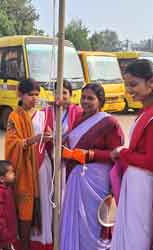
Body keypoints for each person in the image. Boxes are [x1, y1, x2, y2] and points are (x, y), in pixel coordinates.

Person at [110, 59, 153, 250]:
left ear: (151, 82)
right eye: (127, 85)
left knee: (137, 237)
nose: (129, 90)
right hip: (137, 183)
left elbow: (152, 162)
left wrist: (123, 153)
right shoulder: (148, 110)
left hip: (144, 185)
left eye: (133, 84)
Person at [59, 83, 124, 250]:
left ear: (100, 101)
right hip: (76, 179)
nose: (85, 101)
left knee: (93, 223)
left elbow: (116, 154)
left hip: (96, 182)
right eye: (83, 97)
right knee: (78, 222)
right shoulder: (79, 118)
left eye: (90, 98)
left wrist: (90, 154)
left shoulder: (109, 123)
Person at [5, 78, 53, 250]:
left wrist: (49, 136)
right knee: (24, 209)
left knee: (44, 206)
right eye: (30, 95)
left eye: (37, 94)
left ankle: (42, 242)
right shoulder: (14, 117)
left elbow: (50, 140)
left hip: (42, 167)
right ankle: (24, 245)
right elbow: (12, 143)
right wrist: (33, 140)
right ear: (21, 95)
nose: (34, 98)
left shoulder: (43, 114)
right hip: (24, 168)